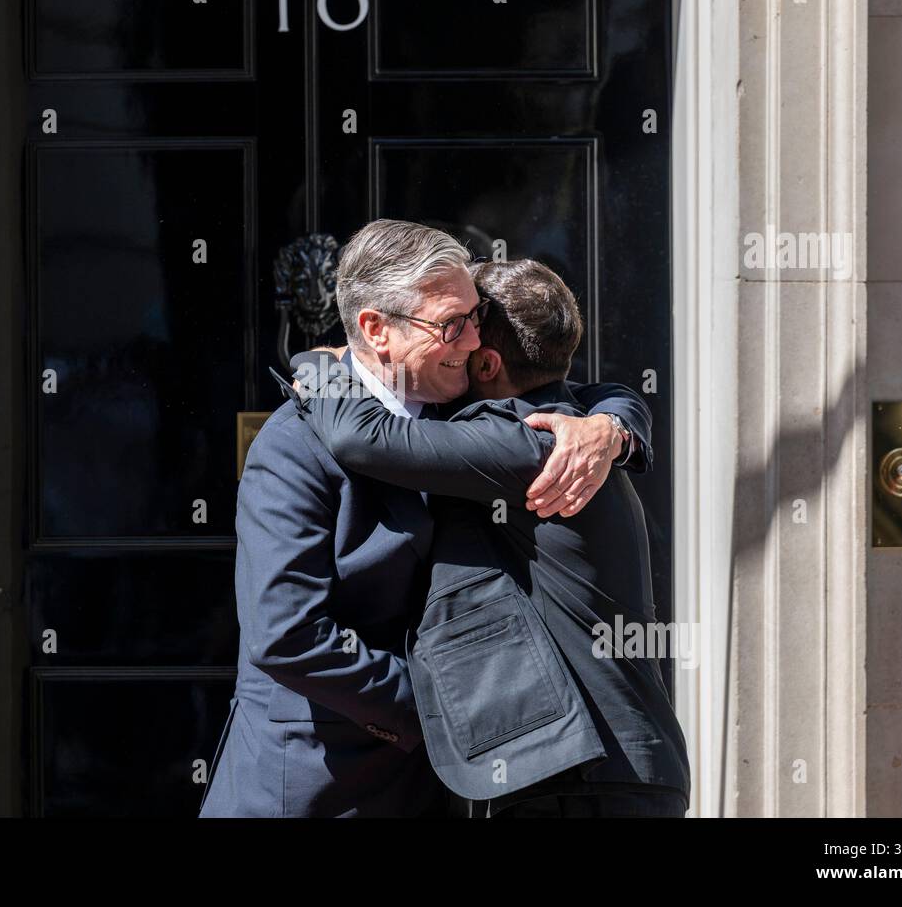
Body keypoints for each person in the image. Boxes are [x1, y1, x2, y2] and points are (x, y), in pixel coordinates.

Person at [198, 222, 650, 817]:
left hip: (433, 788)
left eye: (477, 316)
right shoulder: (294, 445)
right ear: (376, 329)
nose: (473, 340)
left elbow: (575, 392)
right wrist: (446, 709)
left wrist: (613, 426)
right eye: (451, 324)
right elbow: (286, 635)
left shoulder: (461, 409)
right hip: (311, 782)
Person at [285, 258, 690, 817]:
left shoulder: (521, 442)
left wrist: (324, 363)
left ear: (489, 362)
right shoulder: (571, 426)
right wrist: (618, 423)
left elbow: (363, 440)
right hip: (610, 768)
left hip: (587, 780)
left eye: (462, 331)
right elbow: (610, 390)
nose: (456, 342)